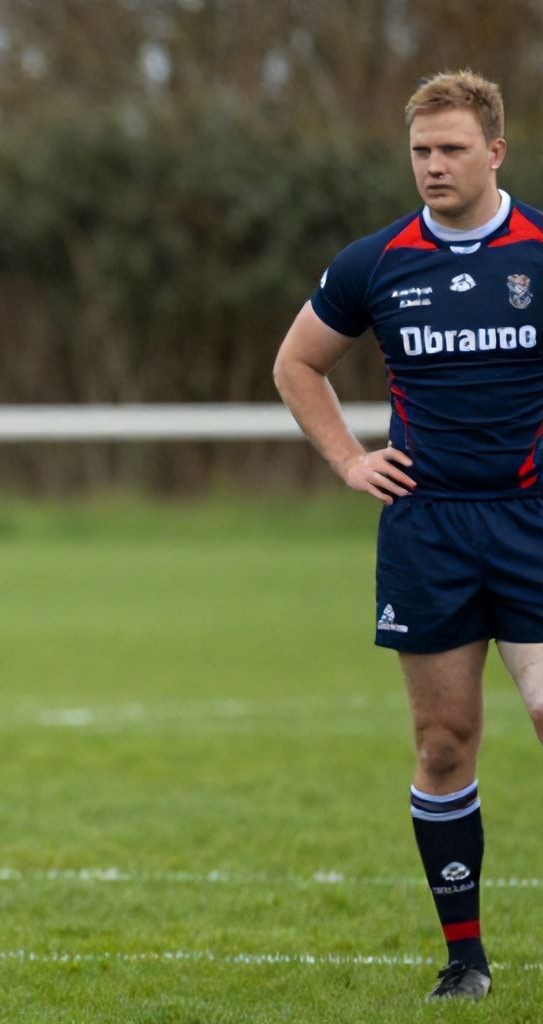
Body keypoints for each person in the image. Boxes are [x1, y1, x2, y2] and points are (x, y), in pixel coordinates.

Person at [272, 70, 543, 1002]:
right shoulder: (377, 262)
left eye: (453, 148)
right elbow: (298, 363)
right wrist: (351, 460)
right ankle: (463, 958)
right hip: (426, 532)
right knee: (442, 743)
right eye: (422, 150)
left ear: (495, 152)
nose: (433, 165)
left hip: (533, 521)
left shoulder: (540, 251)